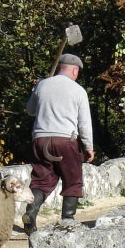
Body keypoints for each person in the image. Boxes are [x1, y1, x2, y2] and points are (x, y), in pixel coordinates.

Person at [22, 53, 94, 233]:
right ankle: (67, 220)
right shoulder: (78, 91)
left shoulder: (42, 85)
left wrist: (38, 91)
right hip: (65, 141)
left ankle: (31, 212)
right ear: (74, 69)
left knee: (41, 180)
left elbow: (30, 111)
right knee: (73, 179)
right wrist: (88, 147)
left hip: (40, 139)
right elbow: (84, 123)